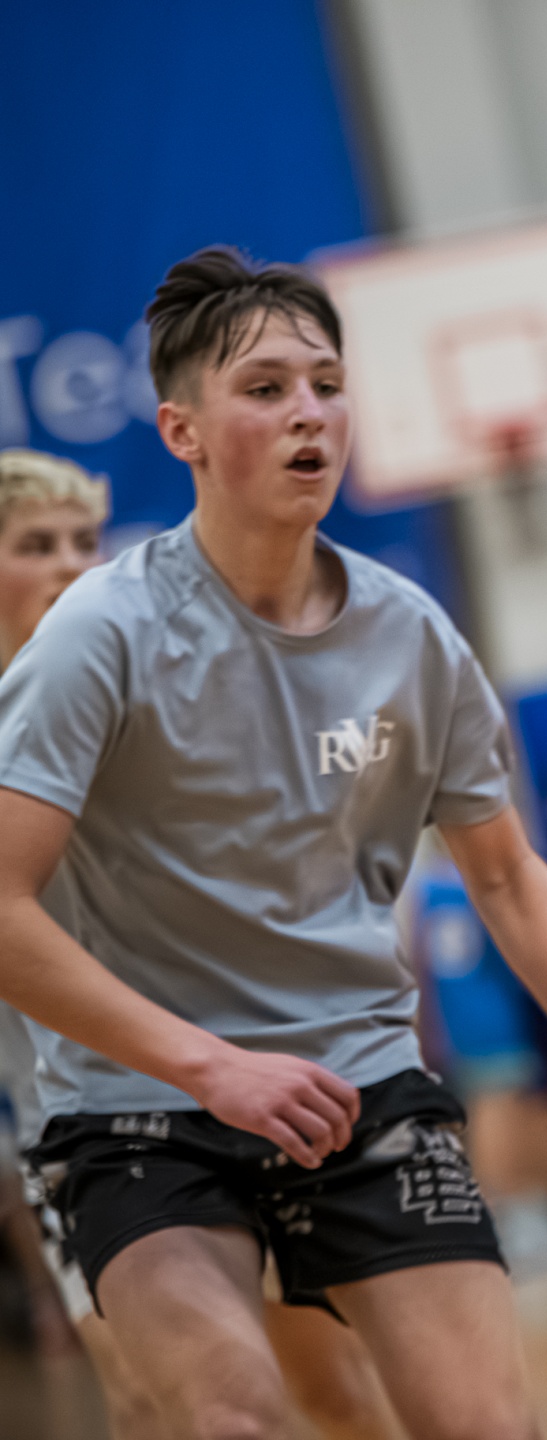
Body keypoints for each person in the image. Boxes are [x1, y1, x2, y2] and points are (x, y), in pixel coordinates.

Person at [0, 248, 547, 1440]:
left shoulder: (411, 636)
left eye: (327, 386)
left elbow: (509, 873)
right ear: (182, 432)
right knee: (233, 1419)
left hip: (359, 1090)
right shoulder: (102, 633)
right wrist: (211, 1067)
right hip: (142, 1110)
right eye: (266, 389)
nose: (310, 414)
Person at [0, 448, 406, 1440]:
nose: (69, 563)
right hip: (91, 1127)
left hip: (252, 1088)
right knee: (167, 1404)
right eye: (35, 544)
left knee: (338, 1390)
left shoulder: (159, 695)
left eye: (83, 541)